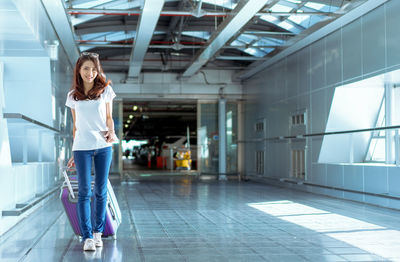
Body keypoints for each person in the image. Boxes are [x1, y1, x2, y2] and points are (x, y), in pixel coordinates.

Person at [65, 52, 117, 251]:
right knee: (84, 191)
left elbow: (109, 117)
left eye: (94, 69)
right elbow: (76, 126)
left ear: (98, 71)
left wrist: (111, 131)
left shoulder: (105, 91)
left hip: (103, 145)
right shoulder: (72, 96)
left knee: (100, 191)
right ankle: (86, 237)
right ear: (79, 70)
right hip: (82, 147)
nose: (90, 73)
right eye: (86, 68)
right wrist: (73, 151)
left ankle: (98, 234)